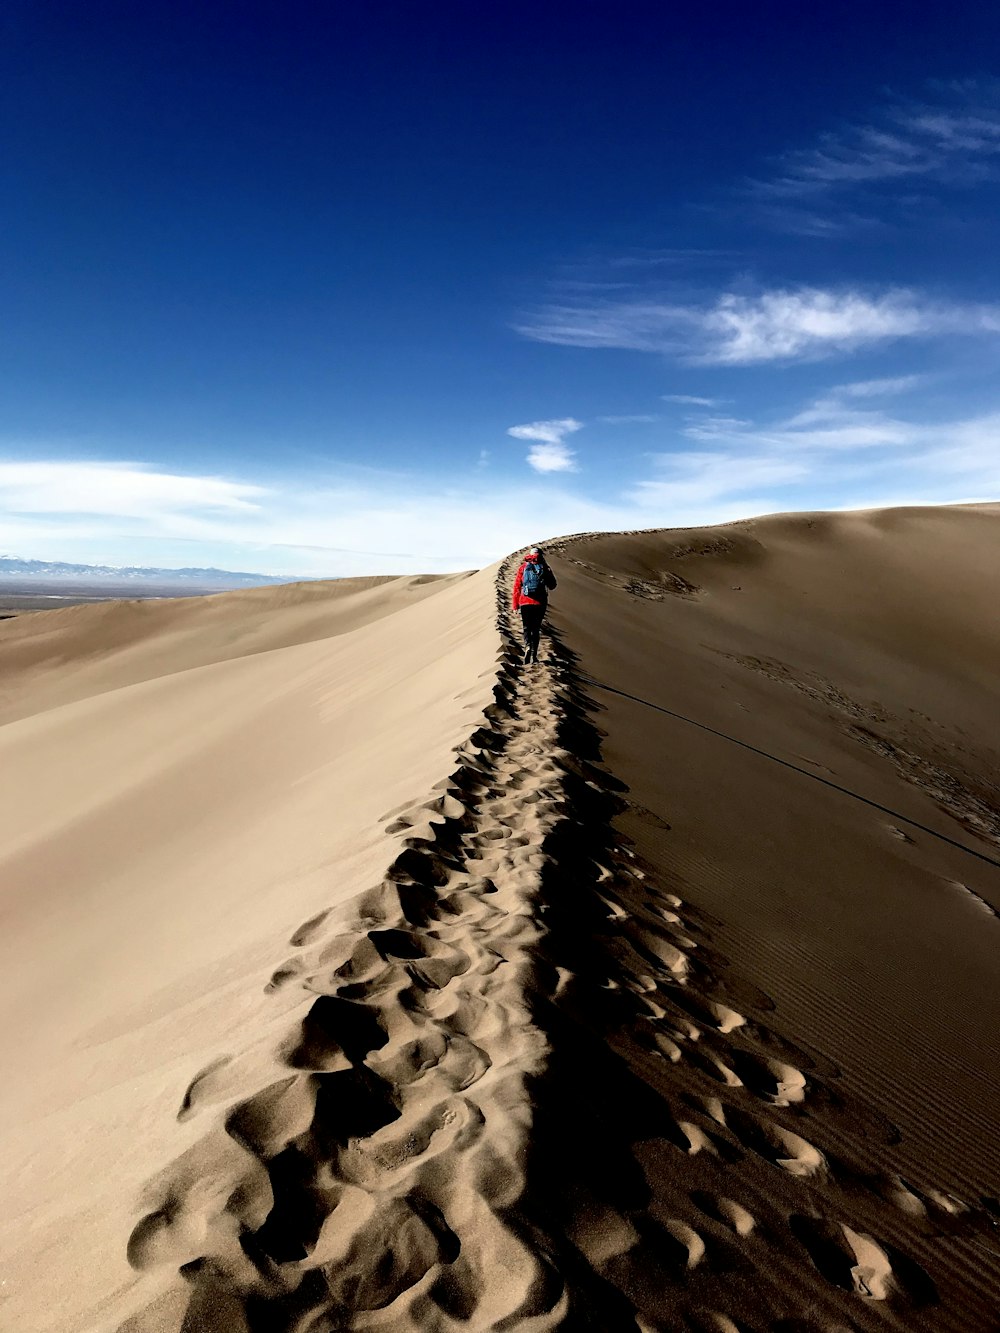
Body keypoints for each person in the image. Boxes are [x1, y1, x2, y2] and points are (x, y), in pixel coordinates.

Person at [512, 545, 557, 664]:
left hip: (525, 601)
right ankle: (534, 655)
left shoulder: (523, 567)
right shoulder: (545, 567)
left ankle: (527, 646)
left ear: (530, 555)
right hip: (539, 603)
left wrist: (515, 605)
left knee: (527, 627)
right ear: (541, 555)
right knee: (536, 629)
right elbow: (553, 586)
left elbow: (517, 587)